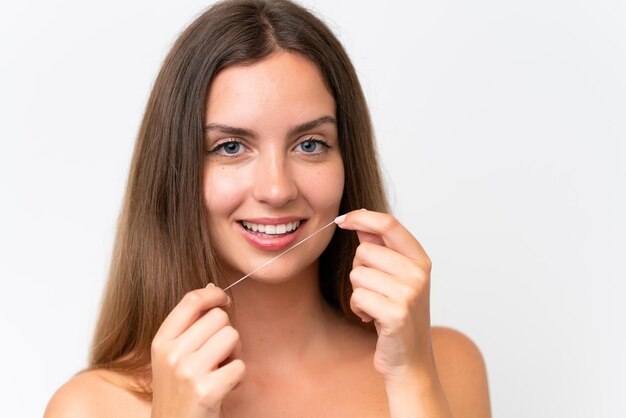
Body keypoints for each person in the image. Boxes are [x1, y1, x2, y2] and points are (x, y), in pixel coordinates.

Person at [44, 0, 491, 416]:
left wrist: (411, 378)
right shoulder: (92, 406)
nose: (277, 189)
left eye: (310, 144)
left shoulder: (446, 366)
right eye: (231, 146)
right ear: (175, 171)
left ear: (346, 161)